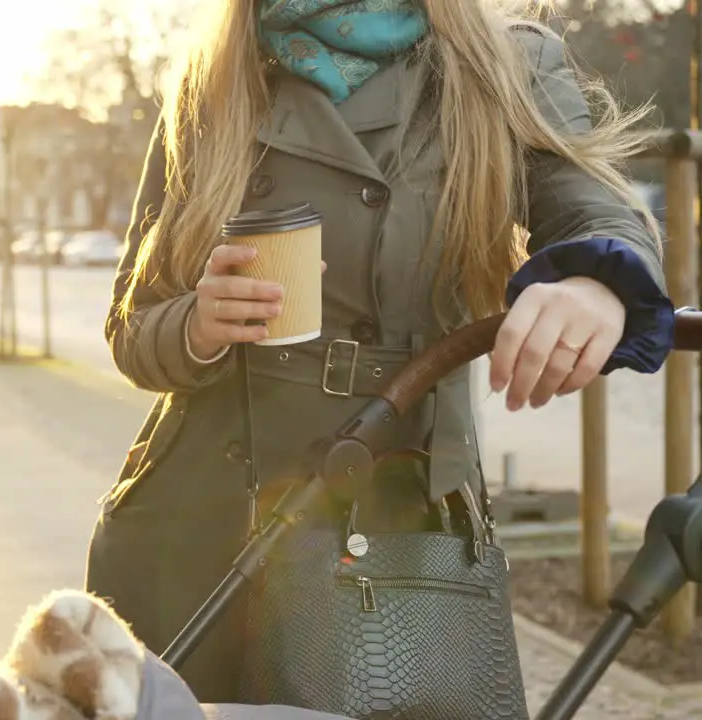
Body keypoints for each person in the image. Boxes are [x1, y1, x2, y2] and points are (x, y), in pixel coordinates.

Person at [85, 0, 674, 704]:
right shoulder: (212, 80)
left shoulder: (503, 61)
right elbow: (132, 326)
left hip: (392, 518)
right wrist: (197, 324)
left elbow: (597, 210)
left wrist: (593, 281)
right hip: (194, 530)